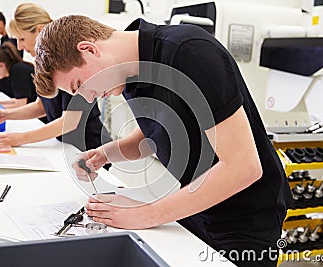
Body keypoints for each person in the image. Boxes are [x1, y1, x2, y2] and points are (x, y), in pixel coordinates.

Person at [34, 15, 292, 267]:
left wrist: (145, 214)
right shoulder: (130, 74)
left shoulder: (188, 51)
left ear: (88, 49)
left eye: (80, 85)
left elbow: (243, 167)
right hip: (194, 205)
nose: (89, 99)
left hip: (245, 218)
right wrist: (105, 153)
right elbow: (154, 135)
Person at [0, 3, 112, 163]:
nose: (19, 46)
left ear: (39, 30)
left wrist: (21, 138)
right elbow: (42, 105)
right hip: (64, 147)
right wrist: (6, 114)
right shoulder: (42, 63)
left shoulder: (68, 60)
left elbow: (70, 122)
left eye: (22, 38)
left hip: (89, 147)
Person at [0, 42, 37, 109]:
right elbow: (17, 100)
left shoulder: (18, 71)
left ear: (1, 66)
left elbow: (20, 105)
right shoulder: (14, 70)